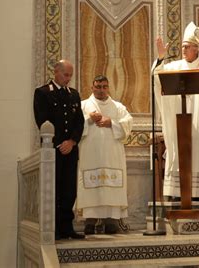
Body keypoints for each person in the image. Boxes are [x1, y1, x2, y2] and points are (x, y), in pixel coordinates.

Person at [152, 21, 199, 199]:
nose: (184, 50)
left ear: (197, 49)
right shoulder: (174, 67)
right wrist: (161, 58)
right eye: (182, 47)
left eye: (187, 47)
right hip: (180, 123)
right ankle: (179, 196)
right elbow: (156, 78)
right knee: (179, 153)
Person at [33, 60, 85, 239]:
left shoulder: (74, 95)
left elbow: (79, 122)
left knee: (69, 190)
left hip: (70, 150)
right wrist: (59, 143)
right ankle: (53, 228)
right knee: (53, 189)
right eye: (66, 75)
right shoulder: (43, 93)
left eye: (70, 75)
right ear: (56, 72)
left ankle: (66, 228)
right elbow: (42, 121)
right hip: (53, 150)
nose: (68, 79)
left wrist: (72, 141)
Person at [76, 75, 133, 235]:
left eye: (104, 87)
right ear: (92, 87)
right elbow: (74, 127)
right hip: (90, 154)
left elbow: (128, 124)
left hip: (112, 155)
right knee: (91, 187)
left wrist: (112, 123)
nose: (101, 90)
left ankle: (111, 221)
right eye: (98, 86)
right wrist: (88, 120)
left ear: (108, 88)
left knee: (111, 187)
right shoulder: (83, 105)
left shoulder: (118, 107)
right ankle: (90, 221)